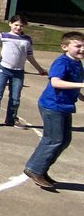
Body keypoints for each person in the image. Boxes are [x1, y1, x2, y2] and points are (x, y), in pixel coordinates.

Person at [22, 31, 84, 191]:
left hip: (65, 106)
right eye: (78, 46)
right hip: (52, 106)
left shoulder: (77, 63)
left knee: (64, 140)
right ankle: (35, 169)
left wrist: (81, 96)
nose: (82, 49)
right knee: (54, 139)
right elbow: (56, 82)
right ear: (64, 47)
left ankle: (41, 169)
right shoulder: (62, 62)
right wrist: (81, 86)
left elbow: (73, 84)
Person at [0, 15, 48, 128]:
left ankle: (11, 119)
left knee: (15, 97)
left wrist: (40, 70)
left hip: (18, 72)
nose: (18, 27)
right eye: (16, 25)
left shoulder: (27, 39)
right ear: (10, 24)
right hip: (3, 69)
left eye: (21, 26)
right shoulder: (4, 35)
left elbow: (30, 57)